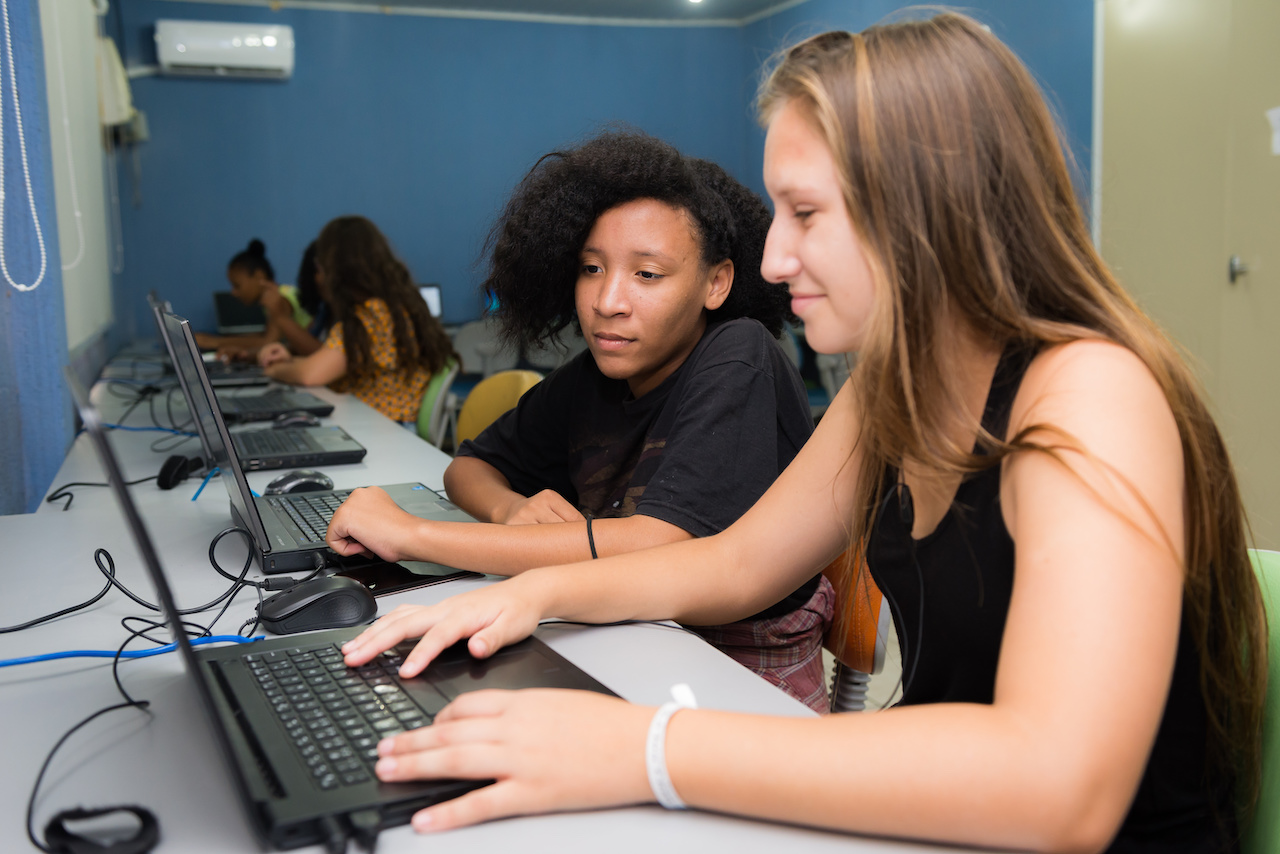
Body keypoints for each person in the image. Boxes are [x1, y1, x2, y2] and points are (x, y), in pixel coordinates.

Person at [335, 14, 1267, 852]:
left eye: (807, 214)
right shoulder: (893, 386)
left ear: (925, 210)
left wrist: (650, 746)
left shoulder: (1089, 397)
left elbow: (1064, 788)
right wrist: (533, 591)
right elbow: (738, 564)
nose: (775, 259)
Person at [326, 132, 833, 711]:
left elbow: (657, 545)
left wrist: (412, 535)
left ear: (716, 283)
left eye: (648, 275)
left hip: (737, 660)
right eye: (591, 268)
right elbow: (470, 465)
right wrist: (508, 510)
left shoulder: (738, 353)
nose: (607, 300)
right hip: (629, 627)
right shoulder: (593, 375)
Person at [259, 216, 455, 424]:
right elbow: (327, 363)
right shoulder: (390, 307)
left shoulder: (370, 317)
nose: (319, 276)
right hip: (382, 424)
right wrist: (289, 361)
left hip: (389, 431)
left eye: (320, 265)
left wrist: (274, 369)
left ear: (334, 269)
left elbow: (311, 375)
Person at [194, 239, 323, 360]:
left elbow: (269, 342)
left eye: (237, 286)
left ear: (259, 276)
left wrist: (213, 342)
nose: (233, 293)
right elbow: (265, 335)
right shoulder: (277, 295)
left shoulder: (280, 299)